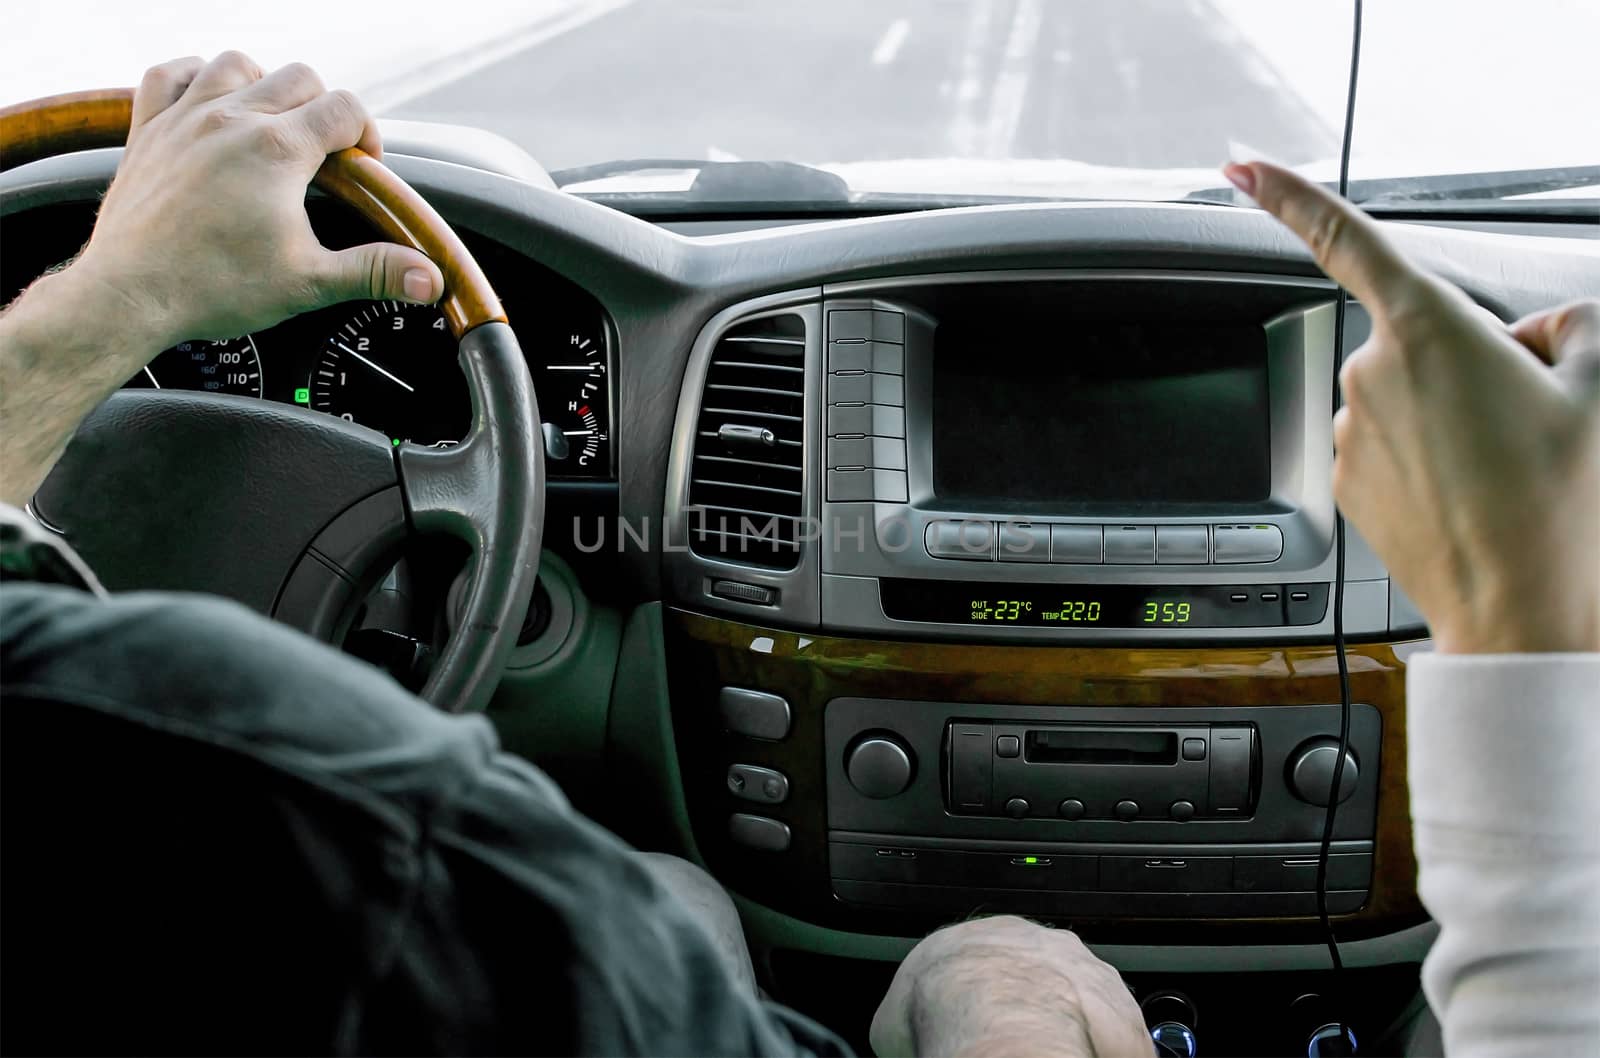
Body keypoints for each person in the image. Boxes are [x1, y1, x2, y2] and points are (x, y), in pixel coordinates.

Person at [0, 51, 1594, 1057]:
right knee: (834, 930)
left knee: (680, 894)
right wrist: (1535, 633)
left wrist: (99, 306)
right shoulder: (365, 836)